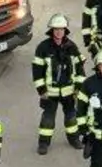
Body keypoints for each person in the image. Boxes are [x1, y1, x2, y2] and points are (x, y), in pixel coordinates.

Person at [31, 13, 85, 154]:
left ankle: (74, 139)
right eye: (56, 29)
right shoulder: (43, 48)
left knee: (71, 118)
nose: (59, 32)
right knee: (48, 119)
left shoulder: (72, 47)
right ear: (52, 30)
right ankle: (43, 143)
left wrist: (78, 89)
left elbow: (80, 69)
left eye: (61, 29)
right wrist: (42, 90)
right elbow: (37, 71)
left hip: (69, 91)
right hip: (50, 92)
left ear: (65, 30)